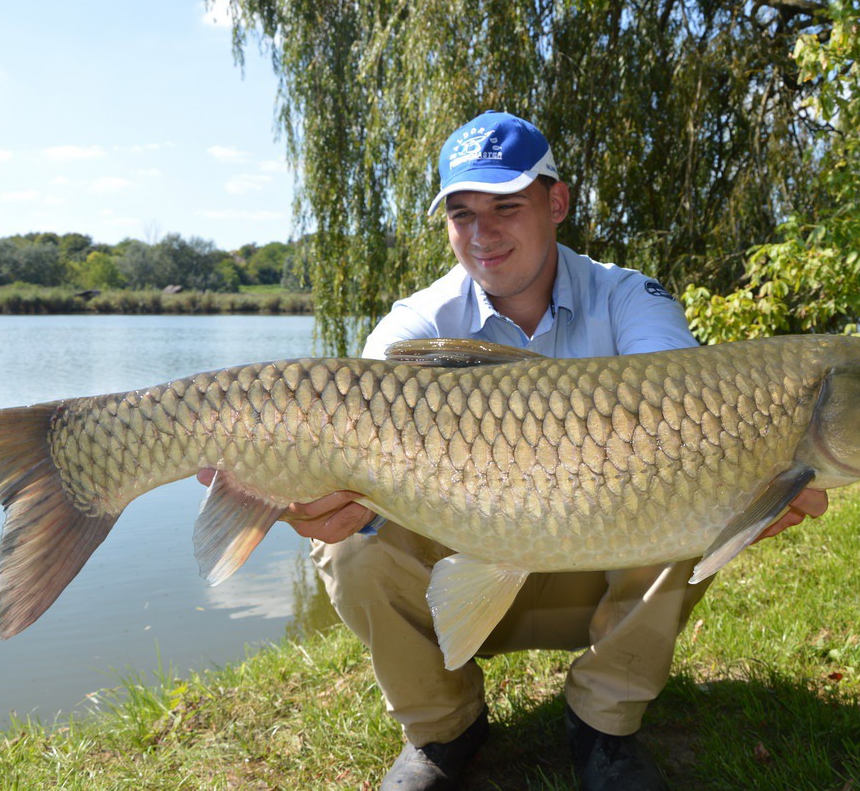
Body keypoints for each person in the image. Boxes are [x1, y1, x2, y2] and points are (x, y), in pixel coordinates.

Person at [208, 111, 828, 790]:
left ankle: (604, 723)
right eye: (461, 213)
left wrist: (755, 469)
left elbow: (689, 397)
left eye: (506, 205)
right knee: (349, 542)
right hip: (464, 560)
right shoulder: (417, 323)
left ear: (555, 202)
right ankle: (445, 728)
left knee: (683, 488)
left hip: (595, 565)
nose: (482, 234)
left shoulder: (627, 295)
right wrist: (324, 493)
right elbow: (353, 432)